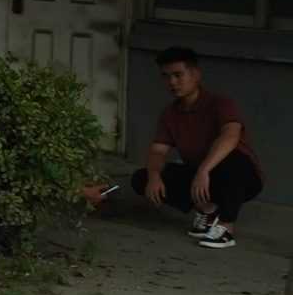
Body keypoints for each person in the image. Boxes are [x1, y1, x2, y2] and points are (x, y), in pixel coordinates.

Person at [94, 46, 264, 249]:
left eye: (178, 75)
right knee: (142, 178)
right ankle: (208, 211)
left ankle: (226, 228)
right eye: (166, 77)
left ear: (196, 74)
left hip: (241, 178)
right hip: (203, 177)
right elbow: (158, 151)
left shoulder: (220, 103)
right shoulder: (170, 114)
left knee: (234, 160)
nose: (172, 82)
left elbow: (230, 135)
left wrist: (204, 170)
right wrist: (154, 177)